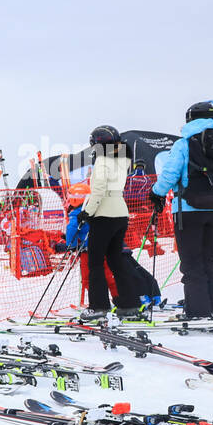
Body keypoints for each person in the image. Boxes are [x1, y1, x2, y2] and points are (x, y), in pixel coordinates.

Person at [151, 100, 213, 318]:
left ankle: (197, 311)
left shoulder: (184, 143)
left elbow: (170, 174)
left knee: (192, 263)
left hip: (189, 209)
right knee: (208, 260)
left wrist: (156, 193)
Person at [75, 126, 140, 319]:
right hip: (120, 212)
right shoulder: (122, 160)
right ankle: (129, 304)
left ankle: (98, 306)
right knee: (116, 260)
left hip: (104, 214)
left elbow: (100, 189)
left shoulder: (103, 160)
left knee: (95, 263)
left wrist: (87, 212)